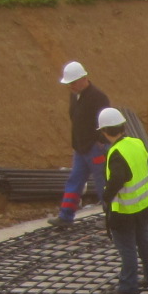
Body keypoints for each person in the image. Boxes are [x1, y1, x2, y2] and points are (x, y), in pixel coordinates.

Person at [96, 107, 148, 294]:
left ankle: (127, 286)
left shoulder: (116, 153)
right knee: (144, 239)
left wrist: (106, 196)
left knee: (127, 248)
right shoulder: (136, 143)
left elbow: (118, 178)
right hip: (144, 205)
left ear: (104, 131)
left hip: (125, 210)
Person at [50, 60, 110, 228]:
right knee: (74, 181)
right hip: (80, 148)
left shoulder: (98, 97)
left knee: (103, 183)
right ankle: (65, 217)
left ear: (83, 79)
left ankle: (111, 217)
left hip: (95, 148)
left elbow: (105, 123)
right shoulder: (74, 95)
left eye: (72, 83)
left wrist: (100, 142)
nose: (70, 86)